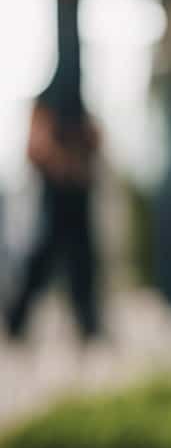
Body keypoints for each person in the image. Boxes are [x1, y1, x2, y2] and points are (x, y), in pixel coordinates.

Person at [5, 95, 102, 341]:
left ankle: (88, 325)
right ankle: (15, 321)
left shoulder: (81, 107)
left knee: (82, 261)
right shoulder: (47, 102)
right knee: (44, 258)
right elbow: (34, 149)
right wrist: (58, 161)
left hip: (76, 196)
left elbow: (97, 142)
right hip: (53, 197)